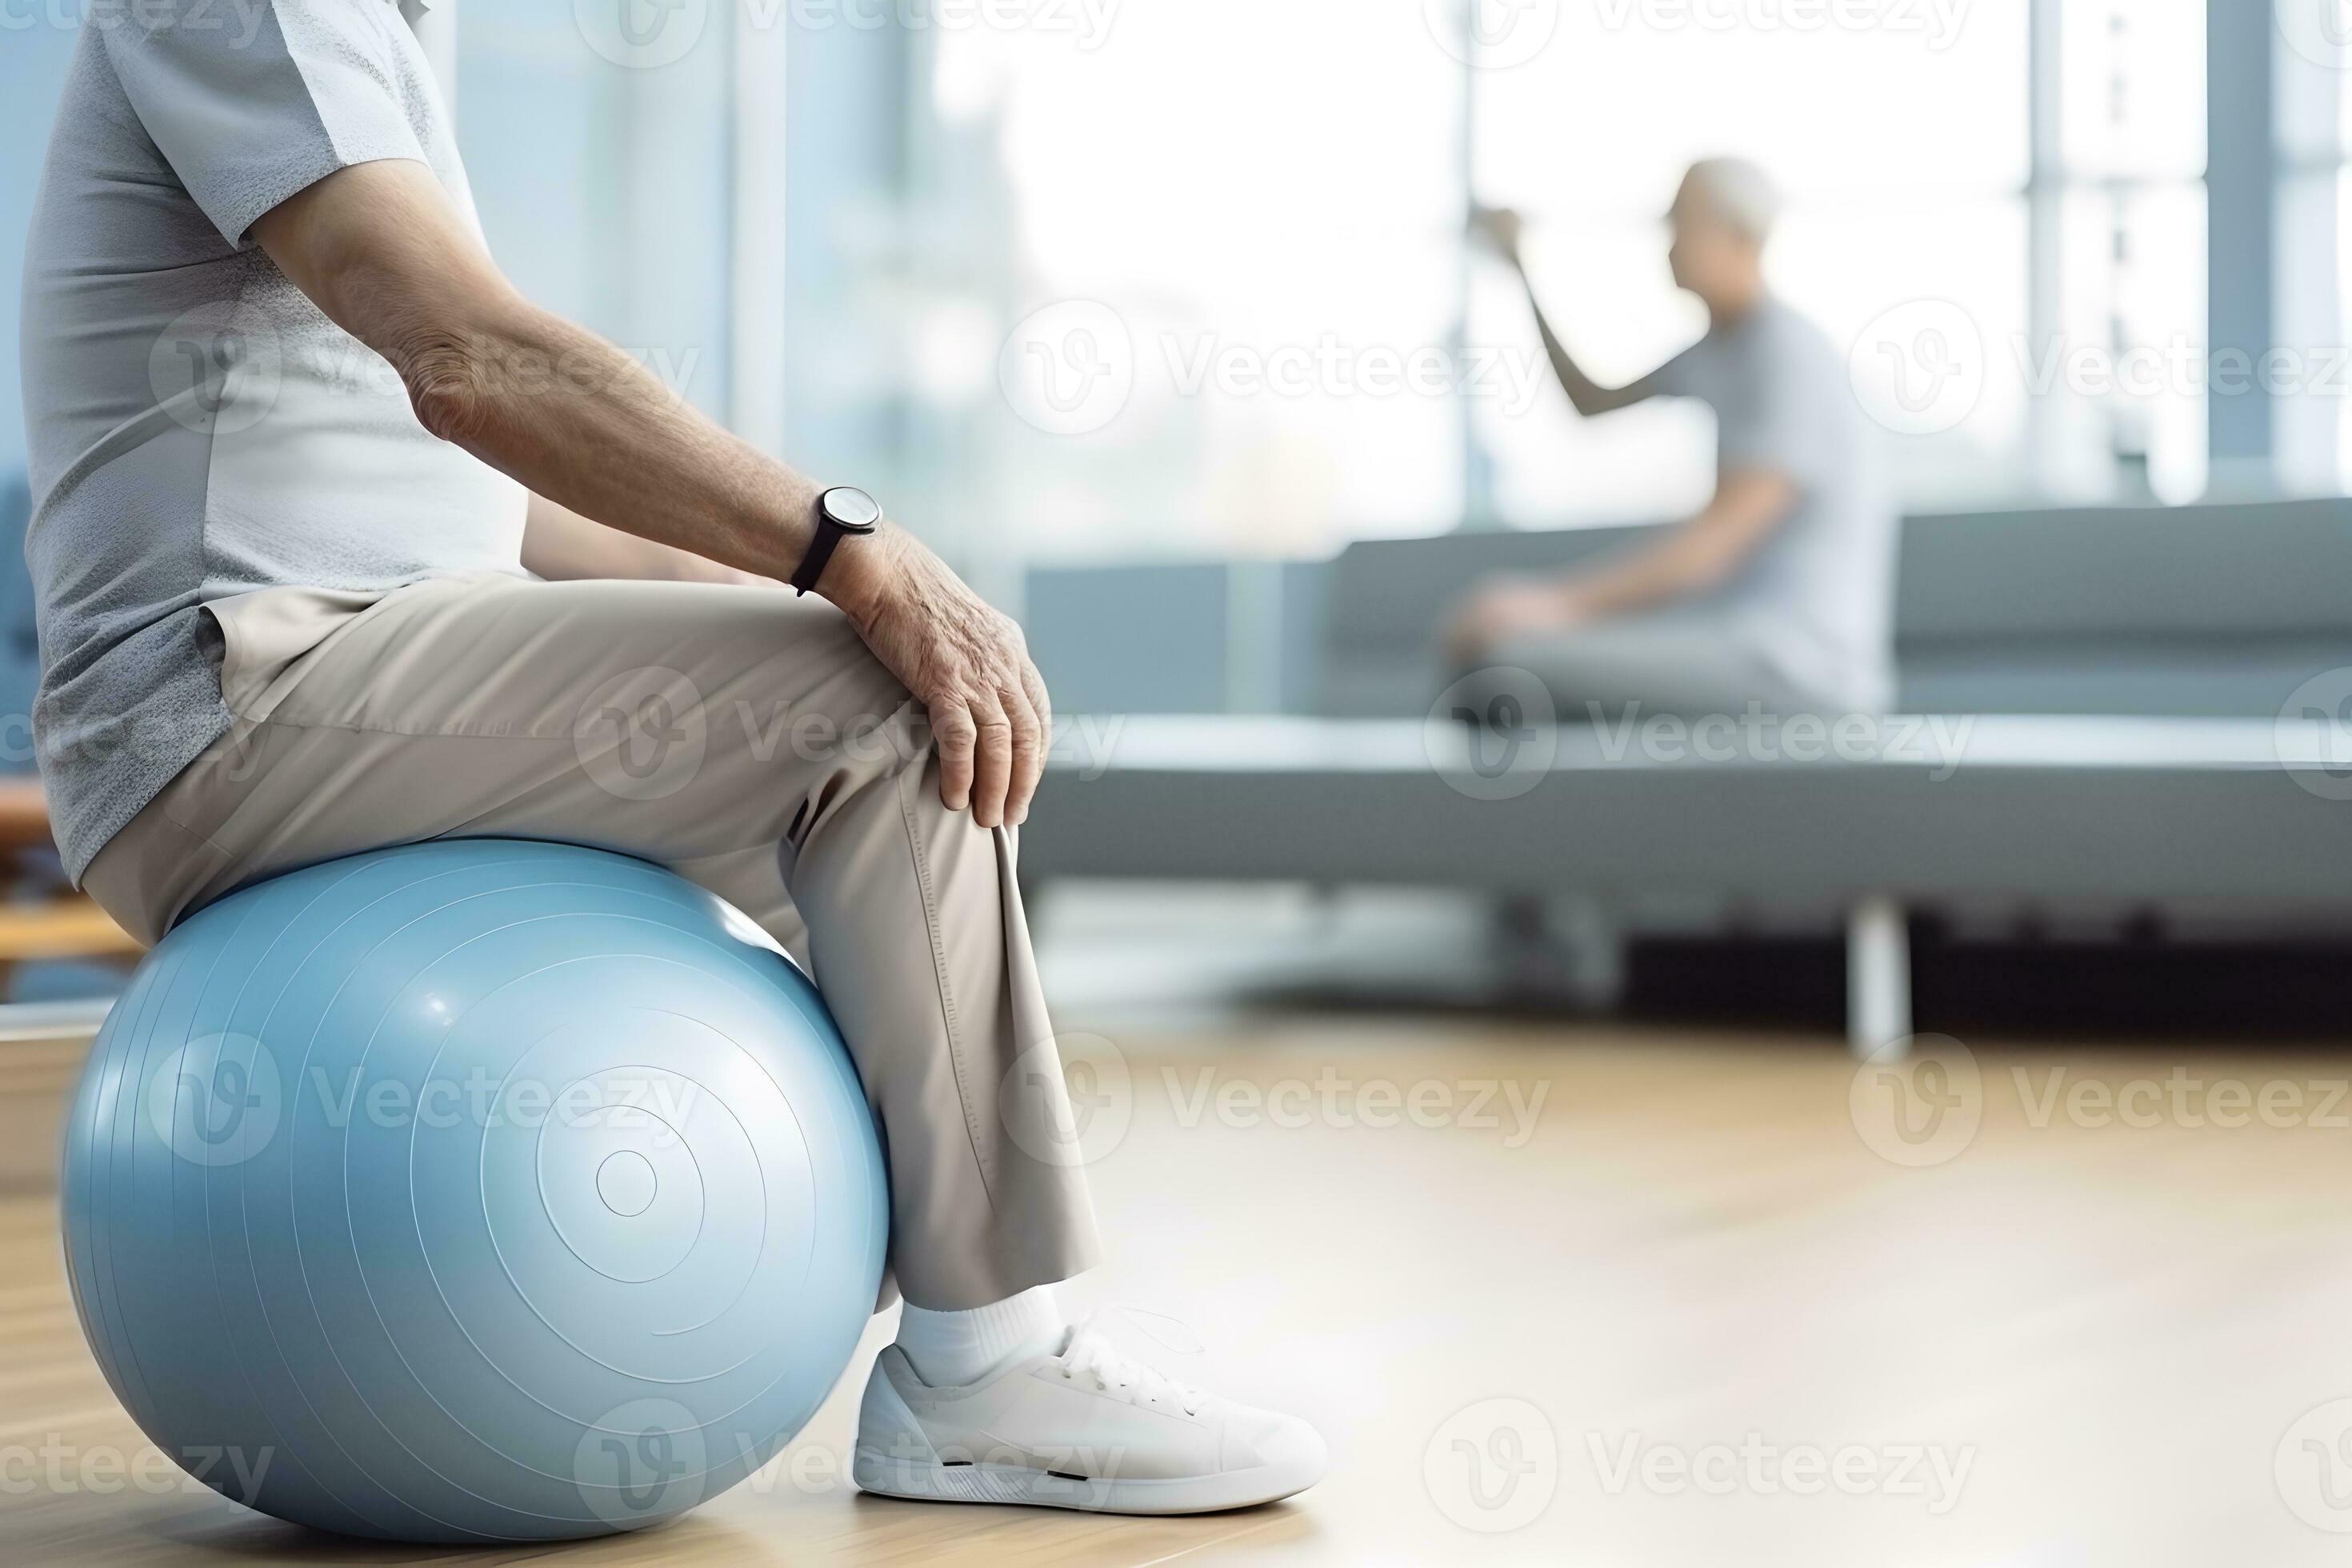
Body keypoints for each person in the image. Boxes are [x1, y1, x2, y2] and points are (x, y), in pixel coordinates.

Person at [20, 2, 1322, 1514]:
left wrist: (810, 598)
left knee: (877, 722)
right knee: (872, 708)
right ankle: (984, 1368)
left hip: (366, 660)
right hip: (234, 694)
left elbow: (500, 498)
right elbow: (464, 358)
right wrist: (853, 556)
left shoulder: (372, 47)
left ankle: (900, 1304)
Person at [1447, 158, 1898, 720]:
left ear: (1740, 236)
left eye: (1681, 223)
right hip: (1735, 639)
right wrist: (1522, 271)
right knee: (1492, 658)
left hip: (1801, 665)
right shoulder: (1718, 350)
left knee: (1501, 671)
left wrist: (1553, 606)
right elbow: (1590, 400)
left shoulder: (1785, 353)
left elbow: (1716, 544)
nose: (1667, 245)